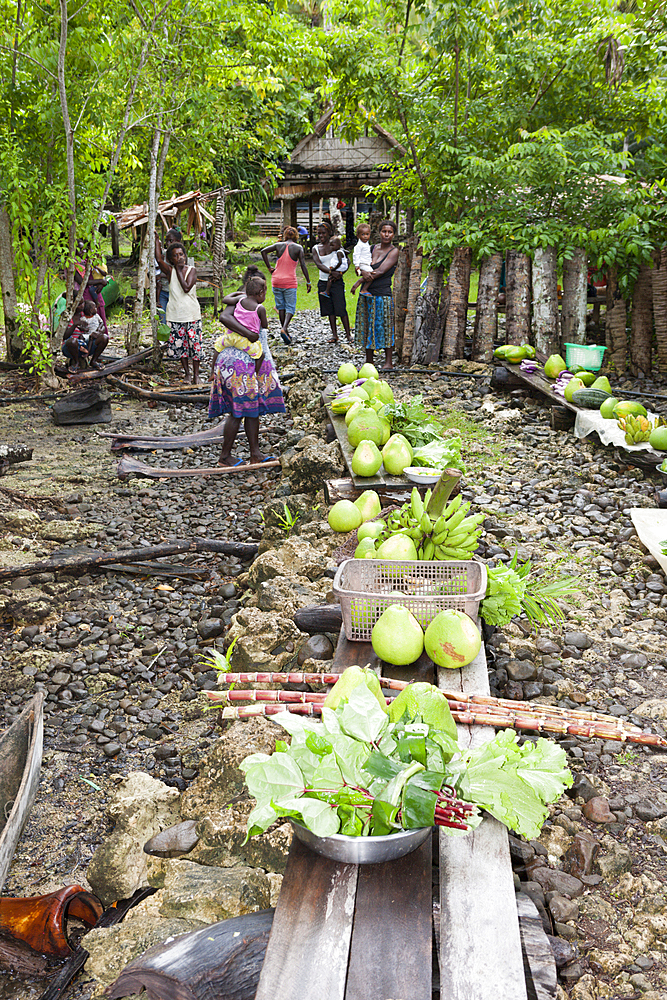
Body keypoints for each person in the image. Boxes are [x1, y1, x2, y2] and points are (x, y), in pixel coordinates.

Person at [209, 266, 286, 467]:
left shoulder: (240, 301)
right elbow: (225, 318)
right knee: (238, 410)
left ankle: (255, 453)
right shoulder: (243, 303)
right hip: (240, 364)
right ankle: (225, 456)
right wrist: (248, 334)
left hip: (239, 361)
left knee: (251, 408)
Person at [155, 236, 202, 384]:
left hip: (192, 314)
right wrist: (156, 239)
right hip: (175, 315)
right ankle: (187, 374)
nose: (179, 257)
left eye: (181, 254)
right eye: (175, 256)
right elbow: (158, 258)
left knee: (195, 347)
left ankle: (196, 375)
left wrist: (179, 270)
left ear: (185, 256)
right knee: (181, 346)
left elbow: (186, 288)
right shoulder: (170, 271)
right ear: (171, 259)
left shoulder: (191, 271)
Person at [354, 219, 399, 370]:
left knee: (385, 326)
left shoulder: (394, 251)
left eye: (390, 232)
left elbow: (380, 271)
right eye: (384, 231)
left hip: (383, 294)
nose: (386, 235)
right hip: (368, 294)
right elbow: (361, 263)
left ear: (394, 234)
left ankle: (388, 362)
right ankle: (369, 361)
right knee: (367, 326)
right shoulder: (371, 248)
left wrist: (359, 281)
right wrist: (360, 271)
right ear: (379, 232)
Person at [260, 226, 311, 344]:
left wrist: (269, 267)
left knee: (281, 306)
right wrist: (308, 281)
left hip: (276, 280)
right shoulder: (298, 248)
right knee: (290, 307)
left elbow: (263, 251)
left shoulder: (278, 246)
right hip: (289, 281)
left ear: (285, 235)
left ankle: (285, 331)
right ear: (296, 236)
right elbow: (303, 265)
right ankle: (284, 328)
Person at [215, 274, 267, 375]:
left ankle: (212, 372)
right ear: (261, 293)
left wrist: (237, 293)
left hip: (231, 336)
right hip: (246, 341)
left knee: (217, 346)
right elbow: (264, 326)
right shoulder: (259, 308)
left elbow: (225, 299)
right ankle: (255, 375)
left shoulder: (239, 300)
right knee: (261, 355)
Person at [312, 222, 352, 345]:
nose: (321, 235)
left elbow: (347, 261)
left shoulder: (336, 245)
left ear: (329, 233)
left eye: (323, 233)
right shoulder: (315, 248)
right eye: (319, 233)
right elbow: (318, 264)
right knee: (330, 310)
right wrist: (331, 271)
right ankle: (334, 335)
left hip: (337, 281)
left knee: (341, 307)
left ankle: (348, 334)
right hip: (324, 282)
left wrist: (339, 273)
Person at [156, 228, 180, 321]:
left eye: (171, 241)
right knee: (163, 318)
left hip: (175, 293)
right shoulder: (164, 254)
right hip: (163, 291)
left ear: (177, 241)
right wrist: (156, 240)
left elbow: (178, 274)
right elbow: (158, 259)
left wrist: (162, 275)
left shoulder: (181, 257)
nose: (168, 243)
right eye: (166, 241)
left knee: (176, 318)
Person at [350, 223, 373, 296]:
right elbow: (356, 255)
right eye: (363, 234)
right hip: (362, 263)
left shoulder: (366, 243)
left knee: (370, 275)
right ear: (358, 236)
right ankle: (363, 288)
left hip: (367, 263)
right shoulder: (359, 245)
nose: (365, 236)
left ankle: (363, 287)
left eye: (367, 234)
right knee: (371, 276)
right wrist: (357, 265)